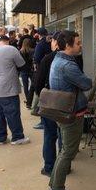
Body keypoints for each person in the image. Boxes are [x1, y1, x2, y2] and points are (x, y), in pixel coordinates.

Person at [47, 31, 92, 190]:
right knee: (68, 152)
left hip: (65, 112)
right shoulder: (67, 66)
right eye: (78, 43)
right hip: (71, 114)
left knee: (64, 151)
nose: (81, 45)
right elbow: (86, 83)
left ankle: (54, 188)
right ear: (68, 46)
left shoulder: (59, 60)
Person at [0, 34, 30, 145]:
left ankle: (0, 138)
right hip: (8, 88)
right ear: (7, 41)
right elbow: (22, 66)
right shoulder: (11, 49)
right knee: (12, 113)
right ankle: (17, 137)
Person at [34, 32, 63, 177]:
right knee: (63, 134)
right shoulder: (74, 59)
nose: (50, 43)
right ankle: (63, 166)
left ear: (57, 43)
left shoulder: (48, 59)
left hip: (50, 103)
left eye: (52, 41)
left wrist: (42, 95)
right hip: (66, 104)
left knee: (50, 136)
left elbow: (37, 83)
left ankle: (50, 167)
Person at [19, 39, 35, 108]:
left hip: (23, 70)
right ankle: (30, 99)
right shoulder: (32, 51)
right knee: (33, 85)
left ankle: (28, 100)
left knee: (25, 86)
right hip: (31, 70)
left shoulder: (20, 51)